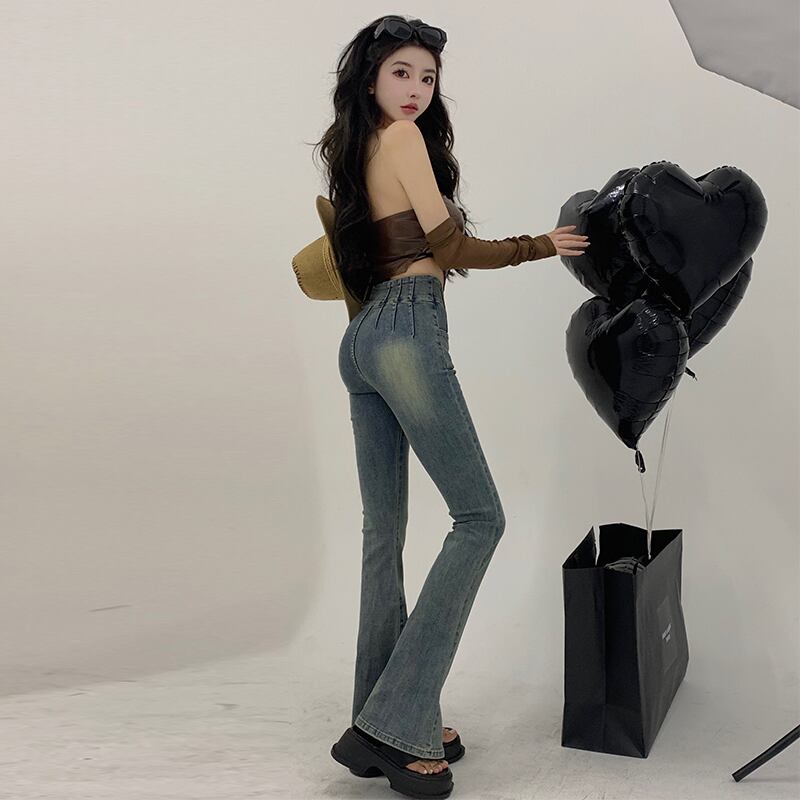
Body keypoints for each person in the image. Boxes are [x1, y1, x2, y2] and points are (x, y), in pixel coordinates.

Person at [316, 15, 589, 798]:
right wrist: (543, 244)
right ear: (372, 77)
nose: (416, 90)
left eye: (428, 78)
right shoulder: (403, 140)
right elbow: (453, 250)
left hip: (361, 338)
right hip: (405, 329)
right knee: (480, 519)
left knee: (383, 533)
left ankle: (380, 712)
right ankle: (395, 721)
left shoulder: (358, 146)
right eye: (402, 72)